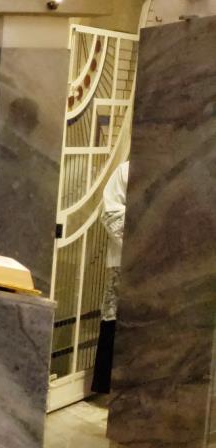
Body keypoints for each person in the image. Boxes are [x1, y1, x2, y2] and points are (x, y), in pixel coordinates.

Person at [93, 160, 129, 394]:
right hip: (126, 261)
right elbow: (110, 210)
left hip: (171, 266)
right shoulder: (127, 169)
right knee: (119, 321)